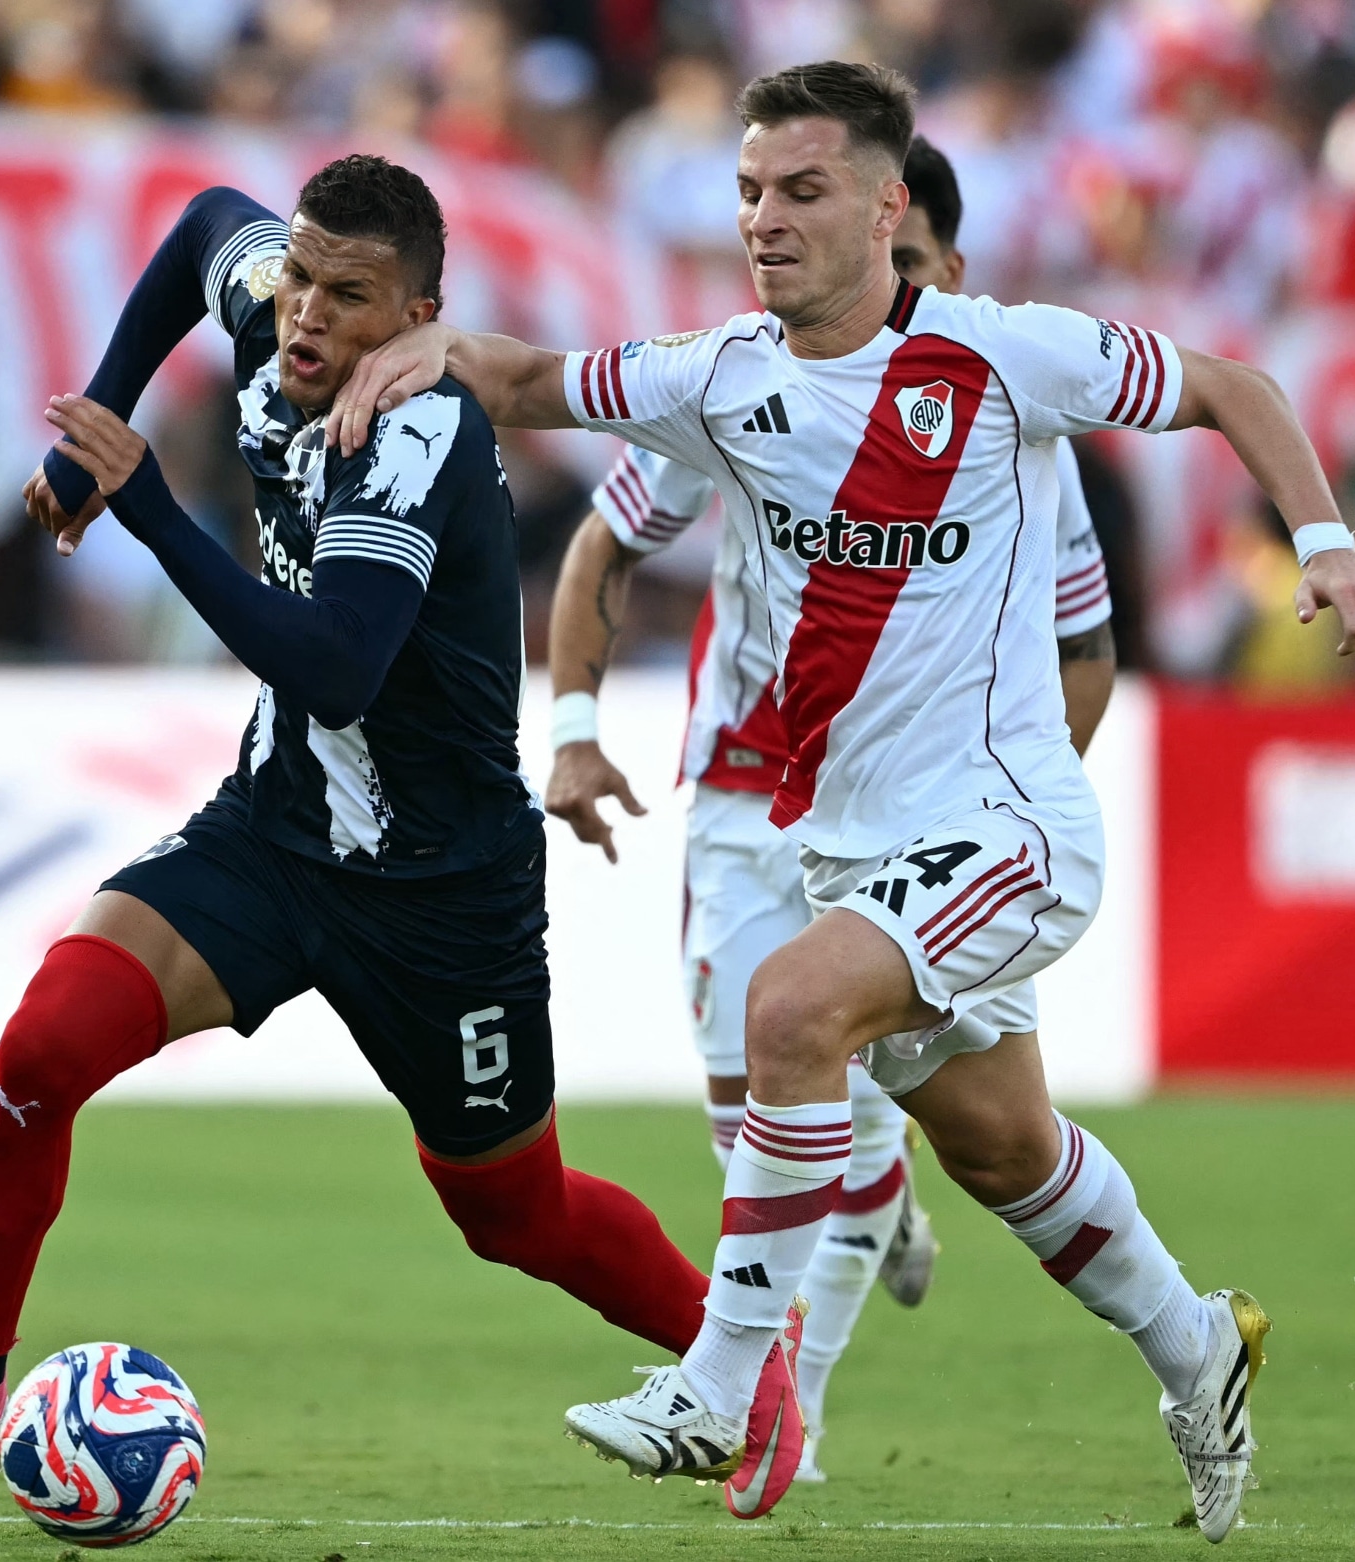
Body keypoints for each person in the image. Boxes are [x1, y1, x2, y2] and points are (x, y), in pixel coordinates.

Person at [324, 62, 1355, 1534]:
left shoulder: (1004, 357)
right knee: (1005, 1151)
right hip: (852, 848)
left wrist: (1328, 543)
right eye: (749, 193)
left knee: (788, 1009)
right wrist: (427, 345)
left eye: (803, 190)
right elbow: (534, 383)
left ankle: (726, 1383)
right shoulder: (721, 378)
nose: (765, 220)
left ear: (888, 205)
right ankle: (1196, 1340)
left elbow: (1234, 387)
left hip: (1010, 827)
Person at [0, 155, 726, 1510]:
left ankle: (747, 1364)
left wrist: (143, 501)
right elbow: (200, 227)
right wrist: (91, 426)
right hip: (275, 828)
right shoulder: (276, 315)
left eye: (348, 296)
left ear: (418, 316)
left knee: (512, 1214)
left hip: (440, 886)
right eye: (300, 275)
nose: (304, 310)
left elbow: (335, 666)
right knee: (44, 1048)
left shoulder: (419, 431)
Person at [543, 134, 1118, 1486]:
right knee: (752, 1113)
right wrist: (570, 728)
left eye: (908, 264)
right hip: (746, 797)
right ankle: (848, 1253)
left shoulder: (1016, 424)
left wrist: (1004, 802)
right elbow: (603, 541)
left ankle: (784, 1408)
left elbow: (1087, 647)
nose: (878, 285)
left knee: (859, 1096)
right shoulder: (752, 383)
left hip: (929, 819)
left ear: (947, 265)